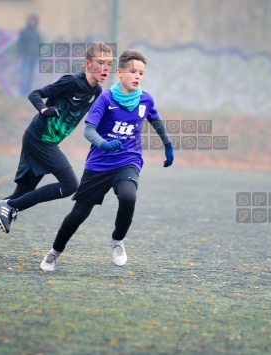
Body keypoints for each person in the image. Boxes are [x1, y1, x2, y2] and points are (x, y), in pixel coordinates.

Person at [0, 42, 114, 258]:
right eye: (100, 63)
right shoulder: (72, 82)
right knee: (70, 184)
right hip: (39, 138)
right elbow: (35, 94)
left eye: (109, 64)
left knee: (20, 195)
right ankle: (10, 207)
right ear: (87, 63)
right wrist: (44, 109)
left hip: (47, 141)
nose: (105, 68)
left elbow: (95, 118)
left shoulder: (97, 91)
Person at [40, 49, 174, 271]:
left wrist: (168, 145)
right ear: (120, 72)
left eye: (141, 72)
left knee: (128, 196)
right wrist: (104, 144)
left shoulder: (145, 99)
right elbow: (89, 131)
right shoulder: (105, 98)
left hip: (128, 161)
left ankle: (117, 241)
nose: (137, 76)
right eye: (133, 71)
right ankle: (54, 252)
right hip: (99, 165)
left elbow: (156, 120)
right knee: (78, 214)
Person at [17, 14, 41, 96]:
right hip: (26, 57)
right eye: (31, 20)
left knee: (30, 76)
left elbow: (39, 44)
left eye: (34, 20)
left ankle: (27, 92)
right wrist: (24, 53)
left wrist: (38, 55)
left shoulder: (36, 33)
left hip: (33, 58)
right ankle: (22, 92)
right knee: (24, 75)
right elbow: (20, 44)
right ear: (28, 21)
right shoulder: (24, 31)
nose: (32, 22)